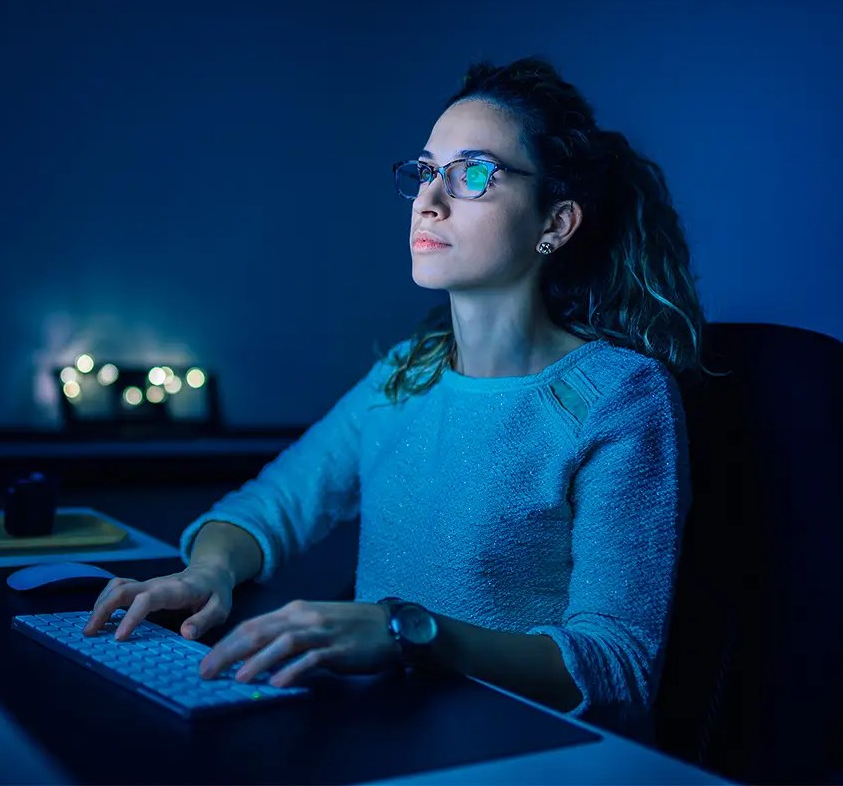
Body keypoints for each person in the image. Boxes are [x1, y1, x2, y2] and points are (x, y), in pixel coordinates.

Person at [84, 56, 717, 743]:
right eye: (425, 172)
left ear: (557, 222)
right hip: (386, 733)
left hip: (520, 755)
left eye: (473, 174)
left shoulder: (619, 396)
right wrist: (208, 571)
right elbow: (269, 507)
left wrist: (406, 632)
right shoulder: (406, 374)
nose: (430, 200)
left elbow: (617, 669)